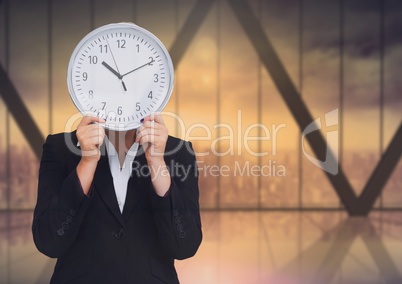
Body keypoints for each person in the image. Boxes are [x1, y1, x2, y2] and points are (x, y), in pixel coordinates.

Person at [32, 113, 202, 283]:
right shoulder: (60, 147)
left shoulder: (178, 151)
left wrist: (157, 162)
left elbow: (185, 246)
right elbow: (49, 242)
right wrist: (86, 163)